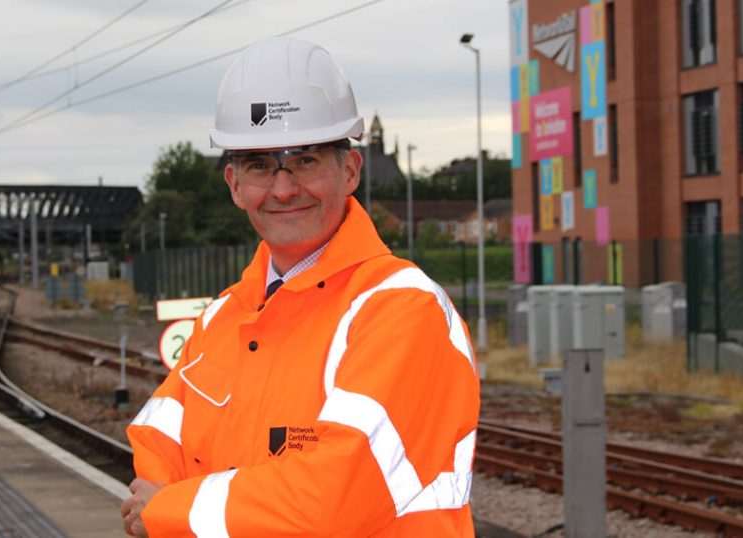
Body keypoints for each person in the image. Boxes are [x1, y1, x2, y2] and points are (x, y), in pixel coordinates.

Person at [122, 36, 480, 537]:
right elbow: (157, 443)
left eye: (305, 160)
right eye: (260, 165)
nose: (284, 188)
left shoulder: (403, 310)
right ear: (234, 185)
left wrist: (173, 510)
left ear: (350, 170)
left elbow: (335, 499)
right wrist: (180, 501)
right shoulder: (222, 316)